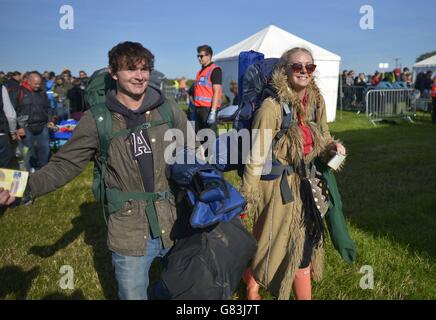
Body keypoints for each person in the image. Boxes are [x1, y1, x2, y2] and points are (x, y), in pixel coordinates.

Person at [0, 41, 194, 300]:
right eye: (131, 69)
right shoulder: (97, 120)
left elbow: (194, 153)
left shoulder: (168, 108)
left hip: (174, 222)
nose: (140, 76)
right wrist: (22, 187)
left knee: (182, 293)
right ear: (113, 73)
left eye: (145, 69)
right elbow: (64, 164)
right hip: (129, 230)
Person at [240, 47, 346, 300]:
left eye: (309, 66)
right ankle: (252, 281)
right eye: (297, 66)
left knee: (301, 244)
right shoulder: (271, 107)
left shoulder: (316, 100)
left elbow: (323, 136)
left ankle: (253, 280)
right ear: (285, 70)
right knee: (271, 240)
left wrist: (333, 149)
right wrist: (249, 194)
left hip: (308, 183)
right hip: (278, 185)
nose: (304, 71)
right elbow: (256, 155)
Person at [15, 72, 54, 172]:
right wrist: (18, 127)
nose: (38, 86)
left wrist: (49, 120)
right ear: (28, 81)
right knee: (29, 151)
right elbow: (14, 110)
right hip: (26, 127)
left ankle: (43, 170)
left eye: (39, 83)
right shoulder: (20, 92)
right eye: (35, 84)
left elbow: (48, 108)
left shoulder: (42, 92)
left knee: (45, 149)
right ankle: (30, 171)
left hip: (42, 126)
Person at [191, 45, 222, 133]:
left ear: (209, 56)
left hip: (208, 109)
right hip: (198, 109)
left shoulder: (215, 70)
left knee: (210, 137)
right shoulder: (200, 72)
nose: (199, 58)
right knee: (199, 137)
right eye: (198, 56)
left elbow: (217, 92)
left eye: (201, 56)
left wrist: (213, 112)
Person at [0, 84, 17, 168]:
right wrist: (12, 131)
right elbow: (10, 116)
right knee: (4, 170)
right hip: (1, 134)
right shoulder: (1, 88)